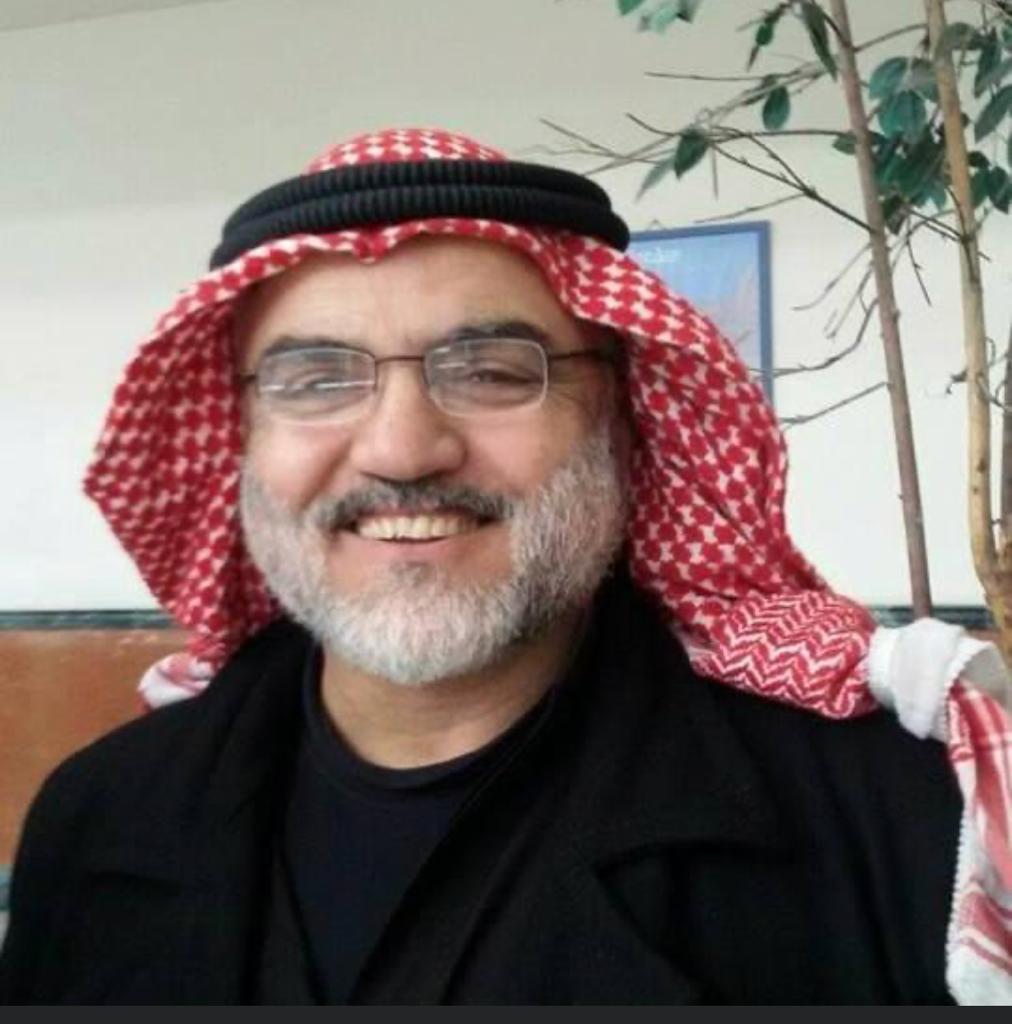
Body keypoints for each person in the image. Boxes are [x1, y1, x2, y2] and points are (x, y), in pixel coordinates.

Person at [1, 128, 1010, 1005]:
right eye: (315, 380)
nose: (402, 451)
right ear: (243, 437)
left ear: (621, 423)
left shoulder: (899, 821)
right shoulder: (99, 814)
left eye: (489, 372)